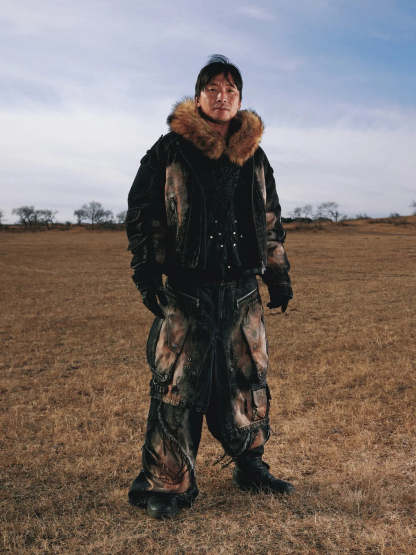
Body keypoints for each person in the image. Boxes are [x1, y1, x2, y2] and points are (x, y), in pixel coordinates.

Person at [126, 55, 294, 519]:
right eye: (213, 89)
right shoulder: (169, 151)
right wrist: (147, 273)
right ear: (199, 97)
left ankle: (251, 466)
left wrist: (278, 276)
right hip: (187, 289)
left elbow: (270, 220)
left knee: (248, 379)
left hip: (241, 291)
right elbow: (143, 214)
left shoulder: (255, 157)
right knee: (176, 385)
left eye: (230, 90)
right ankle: (167, 485)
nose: (222, 97)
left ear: (240, 99)